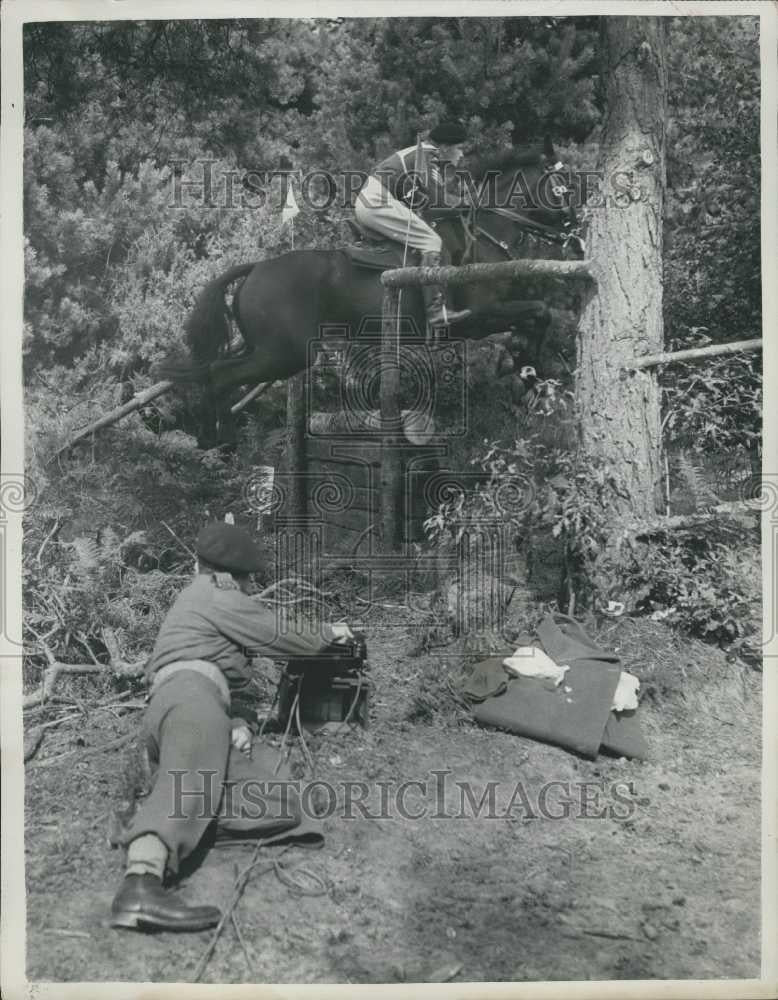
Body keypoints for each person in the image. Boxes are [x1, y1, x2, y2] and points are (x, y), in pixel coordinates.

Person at [110, 522, 353, 932]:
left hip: (196, 704)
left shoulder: (202, 596)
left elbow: (224, 674)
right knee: (190, 781)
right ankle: (141, 881)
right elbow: (283, 636)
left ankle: (154, 814)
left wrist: (236, 718)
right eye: (247, 579)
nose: (247, 587)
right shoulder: (214, 592)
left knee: (290, 808)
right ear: (230, 575)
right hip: (190, 699)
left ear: (197, 562)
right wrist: (329, 632)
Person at [355, 120, 471, 331]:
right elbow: (436, 199)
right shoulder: (430, 156)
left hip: (372, 200)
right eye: (460, 148)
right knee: (432, 240)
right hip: (378, 201)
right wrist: (466, 203)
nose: (462, 155)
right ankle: (435, 310)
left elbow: (427, 203)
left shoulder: (423, 153)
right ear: (445, 147)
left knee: (425, 236)